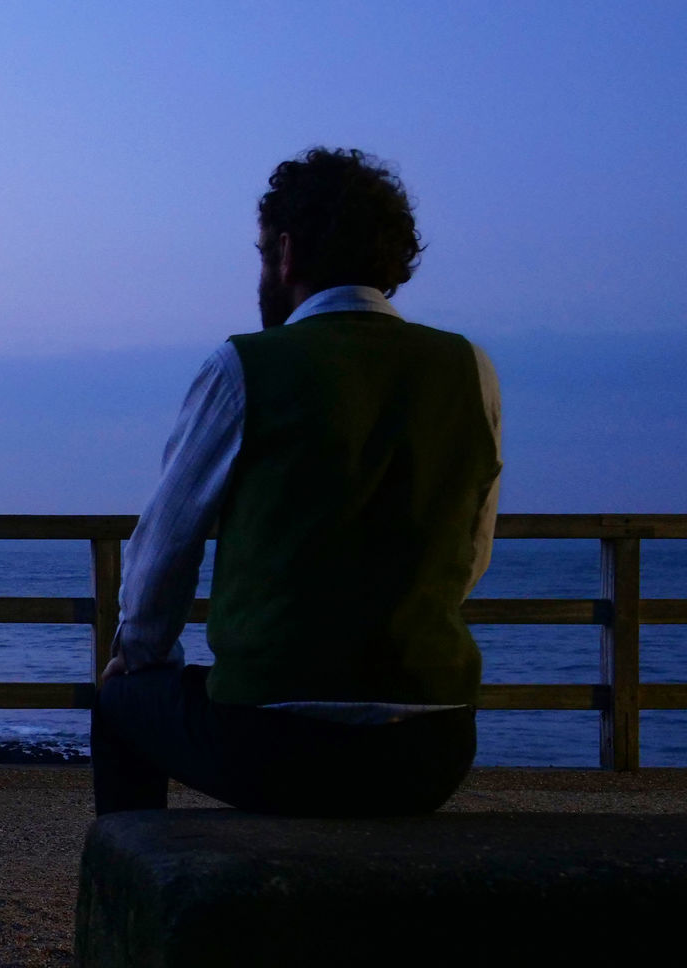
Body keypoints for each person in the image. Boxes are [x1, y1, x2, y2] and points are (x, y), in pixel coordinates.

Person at [92, 148, 502, 816]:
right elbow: (471, 554)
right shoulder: (469, 370)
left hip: (276, 744)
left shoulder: (243, 369)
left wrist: (140, 657)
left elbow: (162, 550)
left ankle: (141, 887)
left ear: (286, 253)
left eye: (261, 254)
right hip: (433, 746)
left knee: (119, 703)